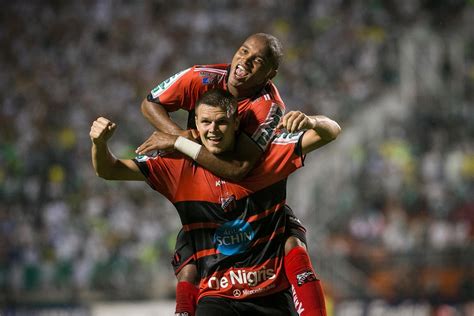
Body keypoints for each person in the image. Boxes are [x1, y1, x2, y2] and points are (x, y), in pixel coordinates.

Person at [90, 89, 341, 315]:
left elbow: (332, 131)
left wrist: (312, 121)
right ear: (196, 126)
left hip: (271, 296)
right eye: (206, 122)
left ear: (236, 124)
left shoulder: (266, 156)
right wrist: (99, 144)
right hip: (218, 299)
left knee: (290, 230)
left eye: (222, 122)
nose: (213, 130)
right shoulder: (176, 167)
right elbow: (109, 170)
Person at [136, 33, 328, 316]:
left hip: (249, 192)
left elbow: (238, 169)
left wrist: (181, 143)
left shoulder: (268, 108)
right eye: (243, 51)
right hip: (206, 195)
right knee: (189, 265)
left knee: (289, 239)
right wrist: (181, 136)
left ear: (270, 74)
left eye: (257, 61)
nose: (244, 62)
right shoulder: (200, 78)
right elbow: (149, 103)